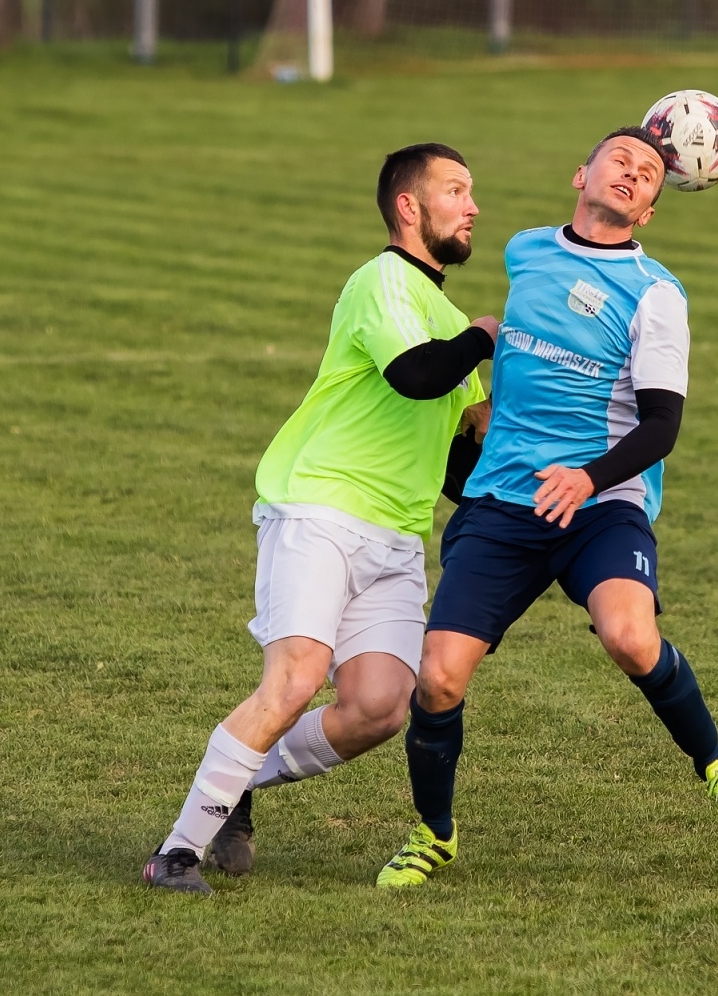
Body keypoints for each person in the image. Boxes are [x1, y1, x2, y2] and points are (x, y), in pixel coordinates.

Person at [373, 128, 718, 890]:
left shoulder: (656, 295)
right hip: (502, 505)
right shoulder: (524, 250)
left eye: (649, 173)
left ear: (652, 209)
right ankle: (434, 832)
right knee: (437, 681)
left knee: (629, 636)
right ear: (580, 174)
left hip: (602, 503)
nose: (631, 172)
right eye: (619, 159)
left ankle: (717, 764)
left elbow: (662, 426)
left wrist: (590, 479)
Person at [143, 143, 498, 894]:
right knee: (296, 681)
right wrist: (486, 339)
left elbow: (461, 476)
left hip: (397, 537)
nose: (472, 207)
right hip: (320, 509)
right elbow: (413, 376)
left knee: (378, 708)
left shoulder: (451, 323)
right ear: (410, 207)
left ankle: (236, 781)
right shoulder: (385, 284)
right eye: (456, 191)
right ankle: (177, 852)